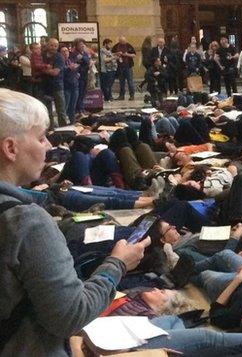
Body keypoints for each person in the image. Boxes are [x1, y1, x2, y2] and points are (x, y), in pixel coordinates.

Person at [0, 89, 150, 356]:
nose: (47, 146)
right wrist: (117, 265)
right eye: (41, 137)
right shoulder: (26, 222)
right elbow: (70, 315)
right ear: (11, 148)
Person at [112, 36, 136, 100]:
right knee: (121, 82)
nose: (123, 43)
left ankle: (132, 95)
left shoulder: (128, 46)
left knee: (130, 82)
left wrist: (127, 54)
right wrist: (117, 53)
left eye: (124, 41)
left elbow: (134, 55)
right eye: (122, 42)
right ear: (119, 41)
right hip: (120, 67)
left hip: (128, 66)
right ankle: (121, 96)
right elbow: (111, 54)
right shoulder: (116, 46)